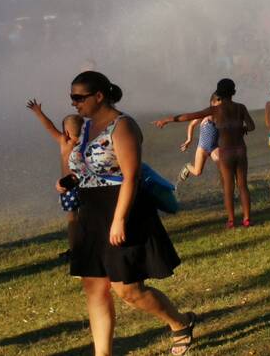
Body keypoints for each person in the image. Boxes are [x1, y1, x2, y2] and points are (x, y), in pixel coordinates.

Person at [64, 71, 194, 356]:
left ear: (99, 96)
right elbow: (88, 168)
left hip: (121, 210)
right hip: (90, 212)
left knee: (128, 290)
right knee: (94, 289)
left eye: (79, 97)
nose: (74, 103)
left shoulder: (122, 126)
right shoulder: (85, 128)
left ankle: (180, 323)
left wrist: (119, 219)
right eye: (72, 97)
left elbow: (131, 176)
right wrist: (70, 182)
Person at [156, 78, 255, 228]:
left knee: (228, 187)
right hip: (240, 149)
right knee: (242, 186)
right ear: (234, 92)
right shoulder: (241, 108)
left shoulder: (215, 110)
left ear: (219, 94)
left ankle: (231, 220)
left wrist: (168, 119)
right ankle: (247, 219)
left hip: (226, 151)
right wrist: (243, 129)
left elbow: (189, 116)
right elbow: (252, 126)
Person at [27, 99, 84, 256]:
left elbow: (49, 126)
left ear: (65, 132)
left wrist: (39, 113)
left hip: (69, 187)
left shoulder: (64, 142)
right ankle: (89, 247)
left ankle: (74, 251)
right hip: (85, 185)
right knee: (87, 217)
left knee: (72, 219)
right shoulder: (86, 143)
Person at [177, 95, 221, 183]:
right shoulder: (205, 115)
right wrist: (189, 139)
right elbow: (191, 125)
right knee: (197, 172)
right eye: (219, 105)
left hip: (214, 148)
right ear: (212, 103)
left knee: (224, 165)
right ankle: (187, 167)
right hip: (202, 149)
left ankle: (229, 183)